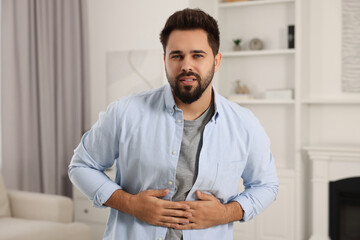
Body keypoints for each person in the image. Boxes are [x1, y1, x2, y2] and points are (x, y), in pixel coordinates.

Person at [69, 8, 278, 240]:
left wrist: (226, 213)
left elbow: (266, 185)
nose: (186, 65)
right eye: (176, 56)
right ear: (165, 60)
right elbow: (81, 166)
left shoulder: (244, 124)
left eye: (198, 55)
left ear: (216, 61)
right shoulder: (125, 112)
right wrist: (130, 204)